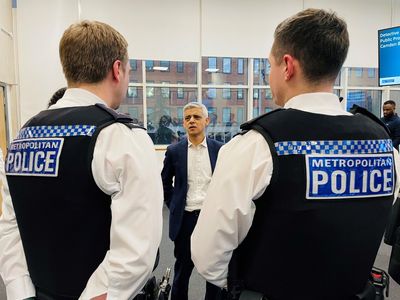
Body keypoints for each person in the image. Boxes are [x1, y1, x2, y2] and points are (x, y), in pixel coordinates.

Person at [191, 8, 400, 300]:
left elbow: (208, 254)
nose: (268, 77)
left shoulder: (256, 145)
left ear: (287, 66)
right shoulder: (384, 146)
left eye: (269, 67)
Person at [0, 20, 163, 300]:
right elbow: (137, 251)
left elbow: (10, 225)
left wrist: (21, 291)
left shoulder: (22, 137)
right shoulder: (121, 137)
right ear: (117, 70)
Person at [161, 102, 223, 300]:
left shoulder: (220, 150)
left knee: (213, 272)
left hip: (211, 220)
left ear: (207, 121)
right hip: (185, 219)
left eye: (196, 117)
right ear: (183, 123)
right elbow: (164, 183)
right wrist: (174, 207)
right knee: (183, 271)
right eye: (187, 118)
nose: (192, 121)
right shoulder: (174, 151)